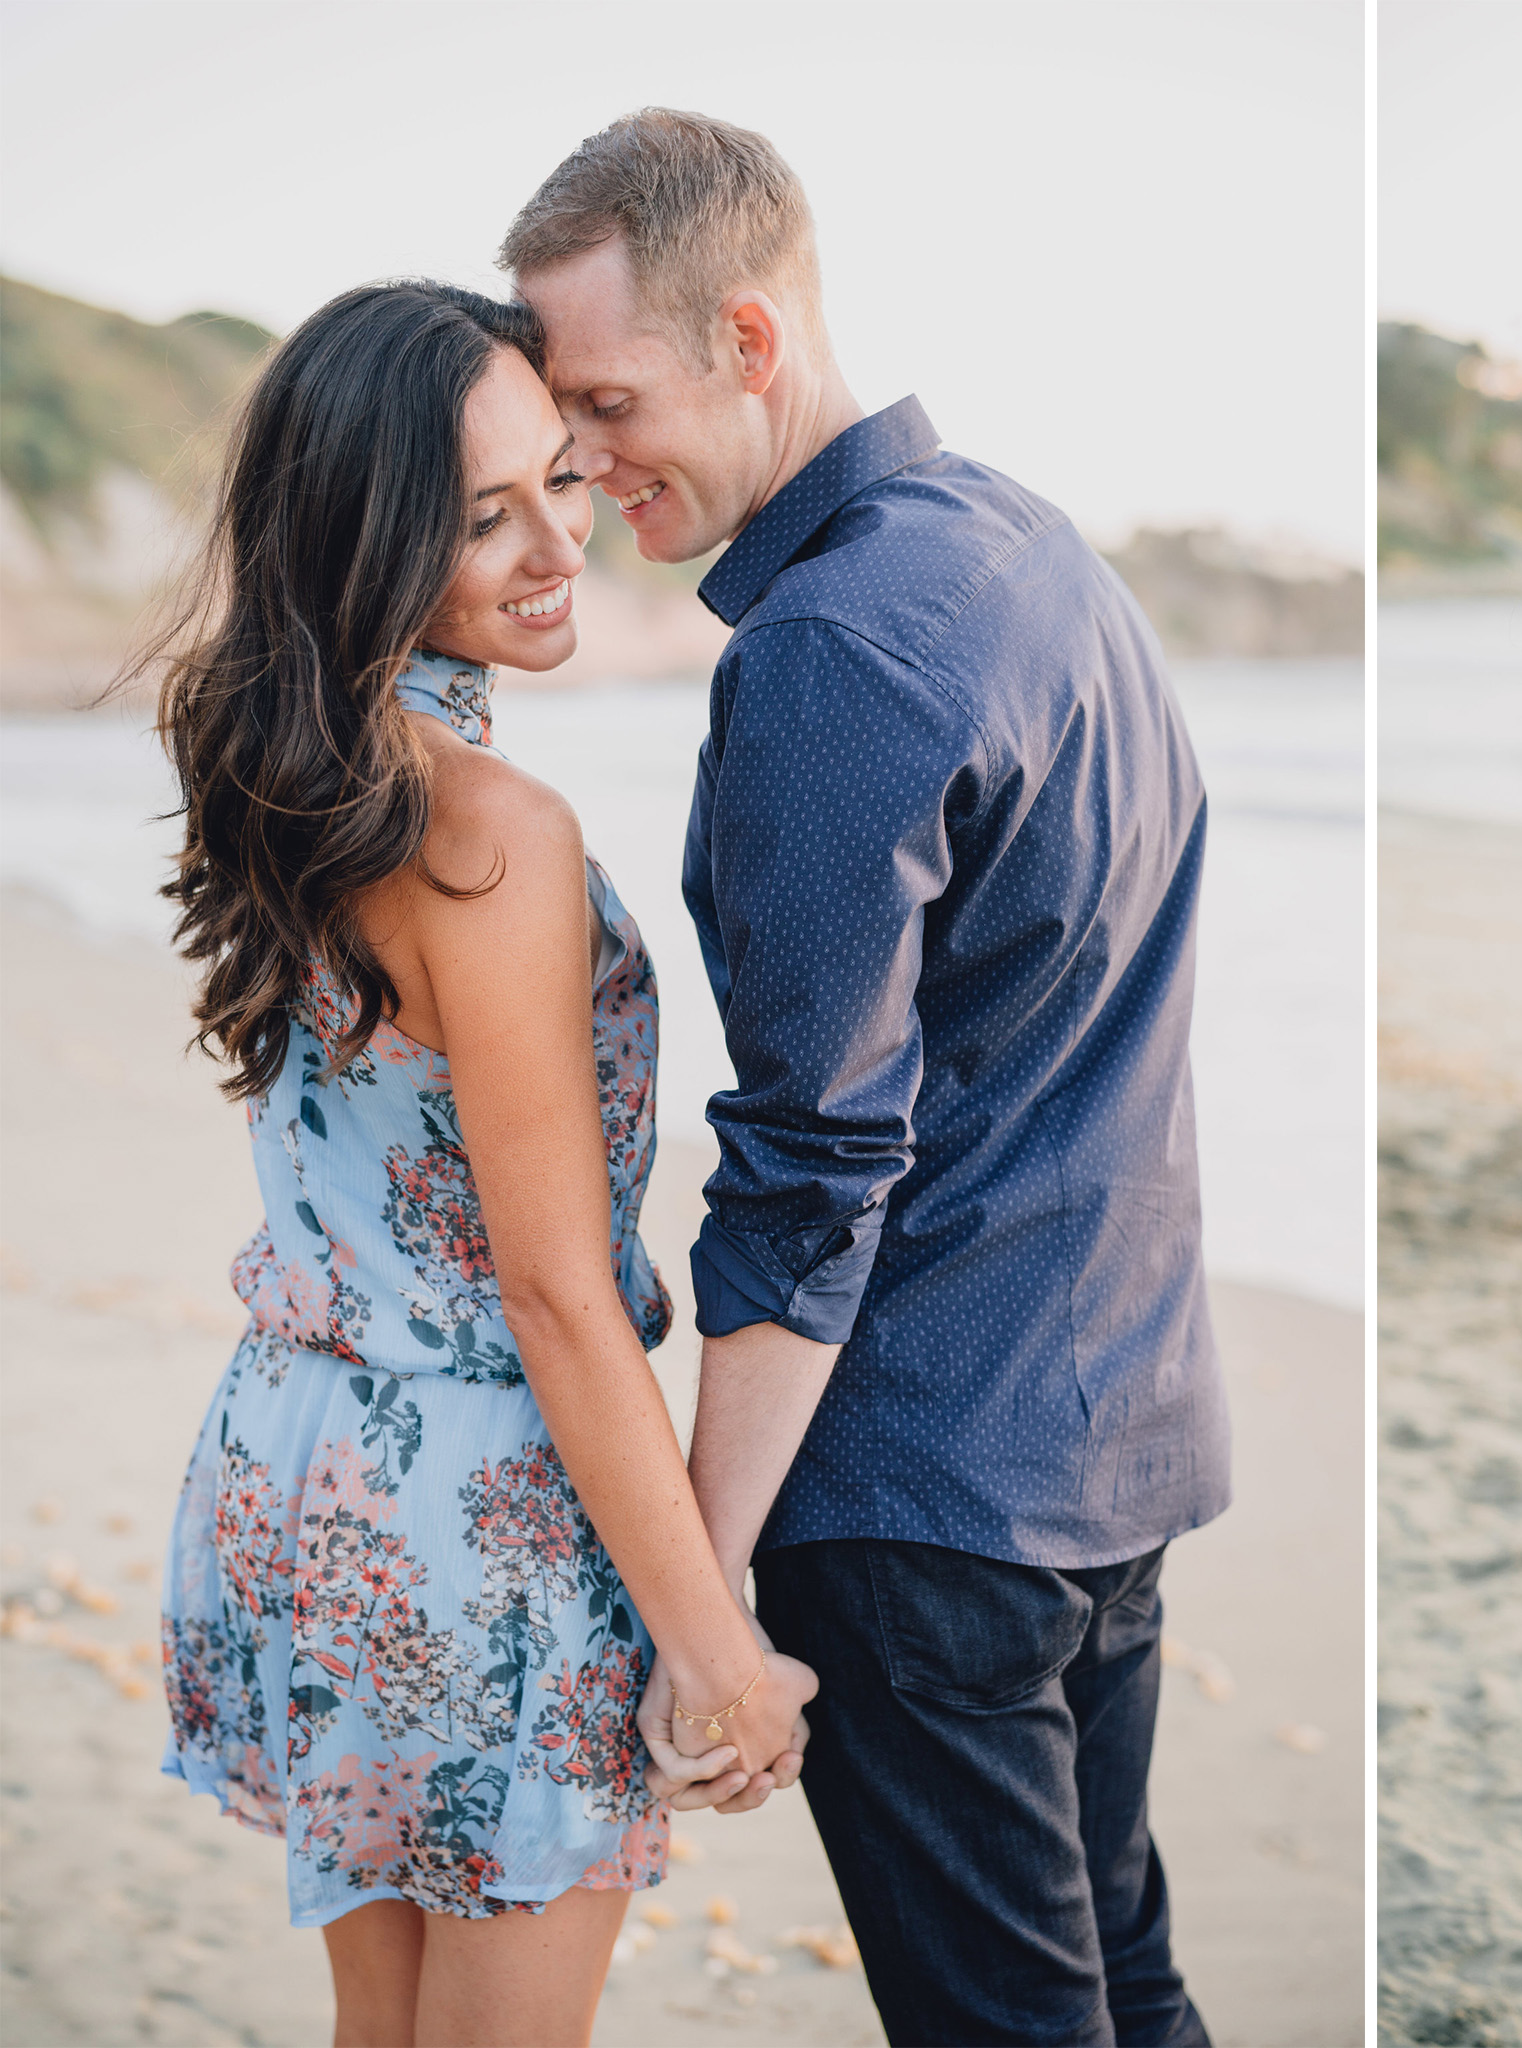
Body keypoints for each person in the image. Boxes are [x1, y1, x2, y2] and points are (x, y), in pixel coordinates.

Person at [500, 110, 1228, 2046]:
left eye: (605, 396)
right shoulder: (1039, 554)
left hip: (930, 1497)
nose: (580, 457)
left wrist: (706, 1591)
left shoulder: (827, 648)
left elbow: (815, 1164)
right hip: (1120, 1437)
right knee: (1126, 1992)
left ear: (749, 338)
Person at [149, 280, 810, 2045]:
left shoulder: (294, 775)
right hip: (472, 1514)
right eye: (483, 515)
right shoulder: (486, 836)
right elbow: (552, 1286)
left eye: (561, 481)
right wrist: (714, 1646)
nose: (556, 544)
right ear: (367, 536)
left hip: (298, 1465)